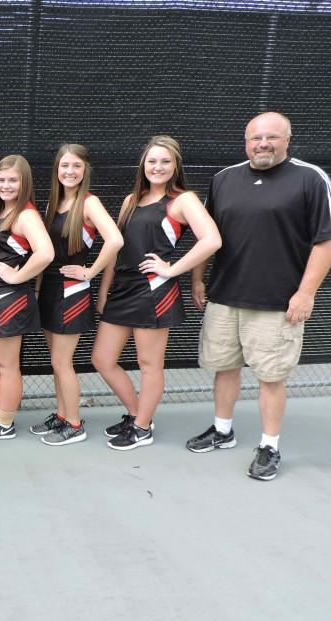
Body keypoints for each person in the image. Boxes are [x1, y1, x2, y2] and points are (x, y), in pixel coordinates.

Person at [186, 112, 331, 481]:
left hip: (277, 304)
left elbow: (328, 240)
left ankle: (269, 446)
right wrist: (197, 279)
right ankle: (222, 431)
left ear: (288, 140)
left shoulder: (311, 178)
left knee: (271, 377)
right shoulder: (224, 179)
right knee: (224, 368)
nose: (263, 144)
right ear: (246, 141)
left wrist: (306, 293)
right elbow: (206, 236)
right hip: (225, 298)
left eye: (272, 137)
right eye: (255, 138)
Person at [92, 135, 221, 450]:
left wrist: (172, 269)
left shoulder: (183, 200)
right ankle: (139, 414)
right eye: (152, 161)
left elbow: (212, 240)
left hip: (154, 291)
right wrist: (104, 290)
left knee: (149, 364)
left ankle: (141, 428)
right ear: (143, 165)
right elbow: (118, 249)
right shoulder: (130, 200)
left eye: (165, 161)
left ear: (175, 165)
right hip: (123, 288)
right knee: (102, 359)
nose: (158, 167)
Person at [30, 144, 124, 446]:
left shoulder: (89, 203)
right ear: (57, 169)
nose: (69, 172)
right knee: (55, 360)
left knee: (62, 361)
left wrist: (90, 272)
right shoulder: (52, 203)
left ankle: (74, 423)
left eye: (76, 167)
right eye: (64, 166)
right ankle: (61, 414)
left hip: (72, 291)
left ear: (85, 171)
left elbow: (115, 240)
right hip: (50, 289)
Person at [0, 155, 54, 440]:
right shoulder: (1, 212)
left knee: (6, 365)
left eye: (12, 180)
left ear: (24, 182)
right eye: (1, 180)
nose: (5, 185)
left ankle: (4, 423)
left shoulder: (25, 215)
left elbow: (46, 253)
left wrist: (17, 277)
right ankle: (0, 411)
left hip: (9, 299)